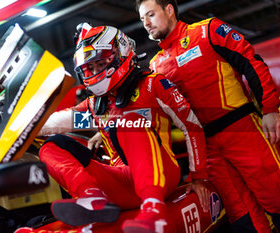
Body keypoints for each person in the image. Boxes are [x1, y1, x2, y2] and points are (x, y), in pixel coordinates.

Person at [37, 23, 210, 232]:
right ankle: (92, 197)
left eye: (99, 63)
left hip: (163, 175)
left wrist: (199, 177)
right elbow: (47, 125)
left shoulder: (153, 85)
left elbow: (191, 126)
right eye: (89, 68)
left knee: (127, 122)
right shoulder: (94, 106)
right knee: (52, 146)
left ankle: (154, 210)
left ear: (121, 54)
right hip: (120, 182)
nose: (94, 71)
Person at [136, 0, 280, 232]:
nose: (147, 23)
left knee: (275, 194)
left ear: (169, 9)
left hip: (242, 128)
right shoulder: (155, 66)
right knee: (242, 215)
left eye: (151, 15)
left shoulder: (208, 30)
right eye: (143, 19)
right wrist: (106, 128)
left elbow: (251, 62)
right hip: (207, 149)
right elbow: (151, 111)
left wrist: (270, 109)